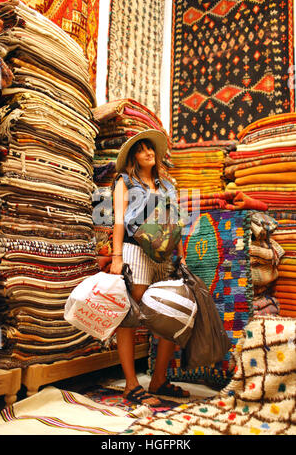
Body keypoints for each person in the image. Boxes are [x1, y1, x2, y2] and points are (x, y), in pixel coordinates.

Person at [110, 129, 190, 406]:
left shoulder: (168, 186)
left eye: (151, 148)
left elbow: (176, 224)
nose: (149, 152)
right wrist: (116, 256)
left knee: (170, 312)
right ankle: (131, 385)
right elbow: (119, 221)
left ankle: (158, 380)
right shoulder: (125, 182)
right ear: (134, 156)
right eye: (142, 149)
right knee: (130, 315)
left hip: (166, 256)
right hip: (135, 250)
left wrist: (181, 256)